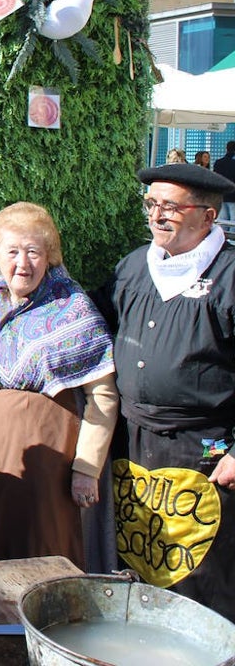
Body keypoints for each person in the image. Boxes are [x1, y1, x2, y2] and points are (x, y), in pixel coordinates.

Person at [96, 163, 235, 620]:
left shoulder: (230, 276)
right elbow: (93, 324)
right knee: (138, 554)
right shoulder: (135, 266)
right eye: (152, 204)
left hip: (206, 450)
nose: (157, 215)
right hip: (134, 443)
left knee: (201, 569)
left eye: (170, 207)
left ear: (208, 217)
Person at [0, 202, 118, 571]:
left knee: (45, 553)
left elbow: (103, 396)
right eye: (13, 251)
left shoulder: (73, 310)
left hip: (51, 466)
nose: (23, 263)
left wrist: (86, 468)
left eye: (34, 251)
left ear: (49, 255)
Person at [213, 140, 235, 223]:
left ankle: (223, 235)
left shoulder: (218, 162)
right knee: (233, 221)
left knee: (223, 220)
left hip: (222, 194)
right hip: (233, 196)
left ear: (227, 149)